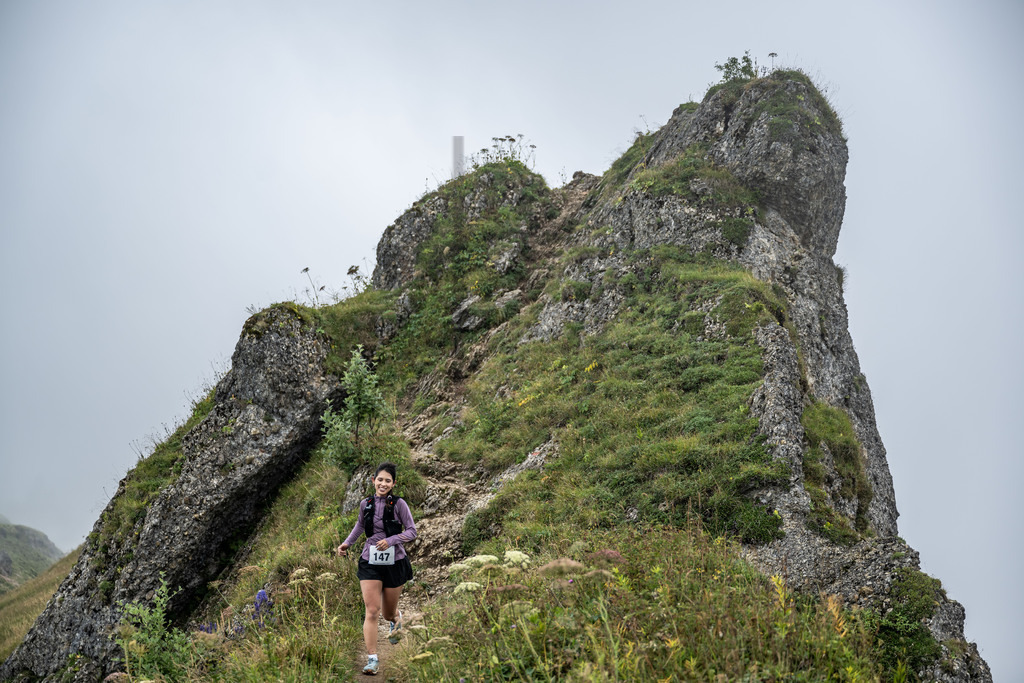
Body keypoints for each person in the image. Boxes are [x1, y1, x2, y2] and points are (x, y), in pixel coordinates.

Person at [336, 462, 417, 676]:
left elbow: (412, 532)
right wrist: (346, 544)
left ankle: (396, 618)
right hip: (369, 560)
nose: (383, 483)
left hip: (395, 562)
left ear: (393, 484)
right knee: (372, 611)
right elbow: (360, 526)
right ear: (373, 481)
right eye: (379, 479)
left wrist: (391, 540)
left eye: (387, 480)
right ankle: (372, 659)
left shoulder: (399, 504)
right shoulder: (366, 503)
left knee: (387, 613)